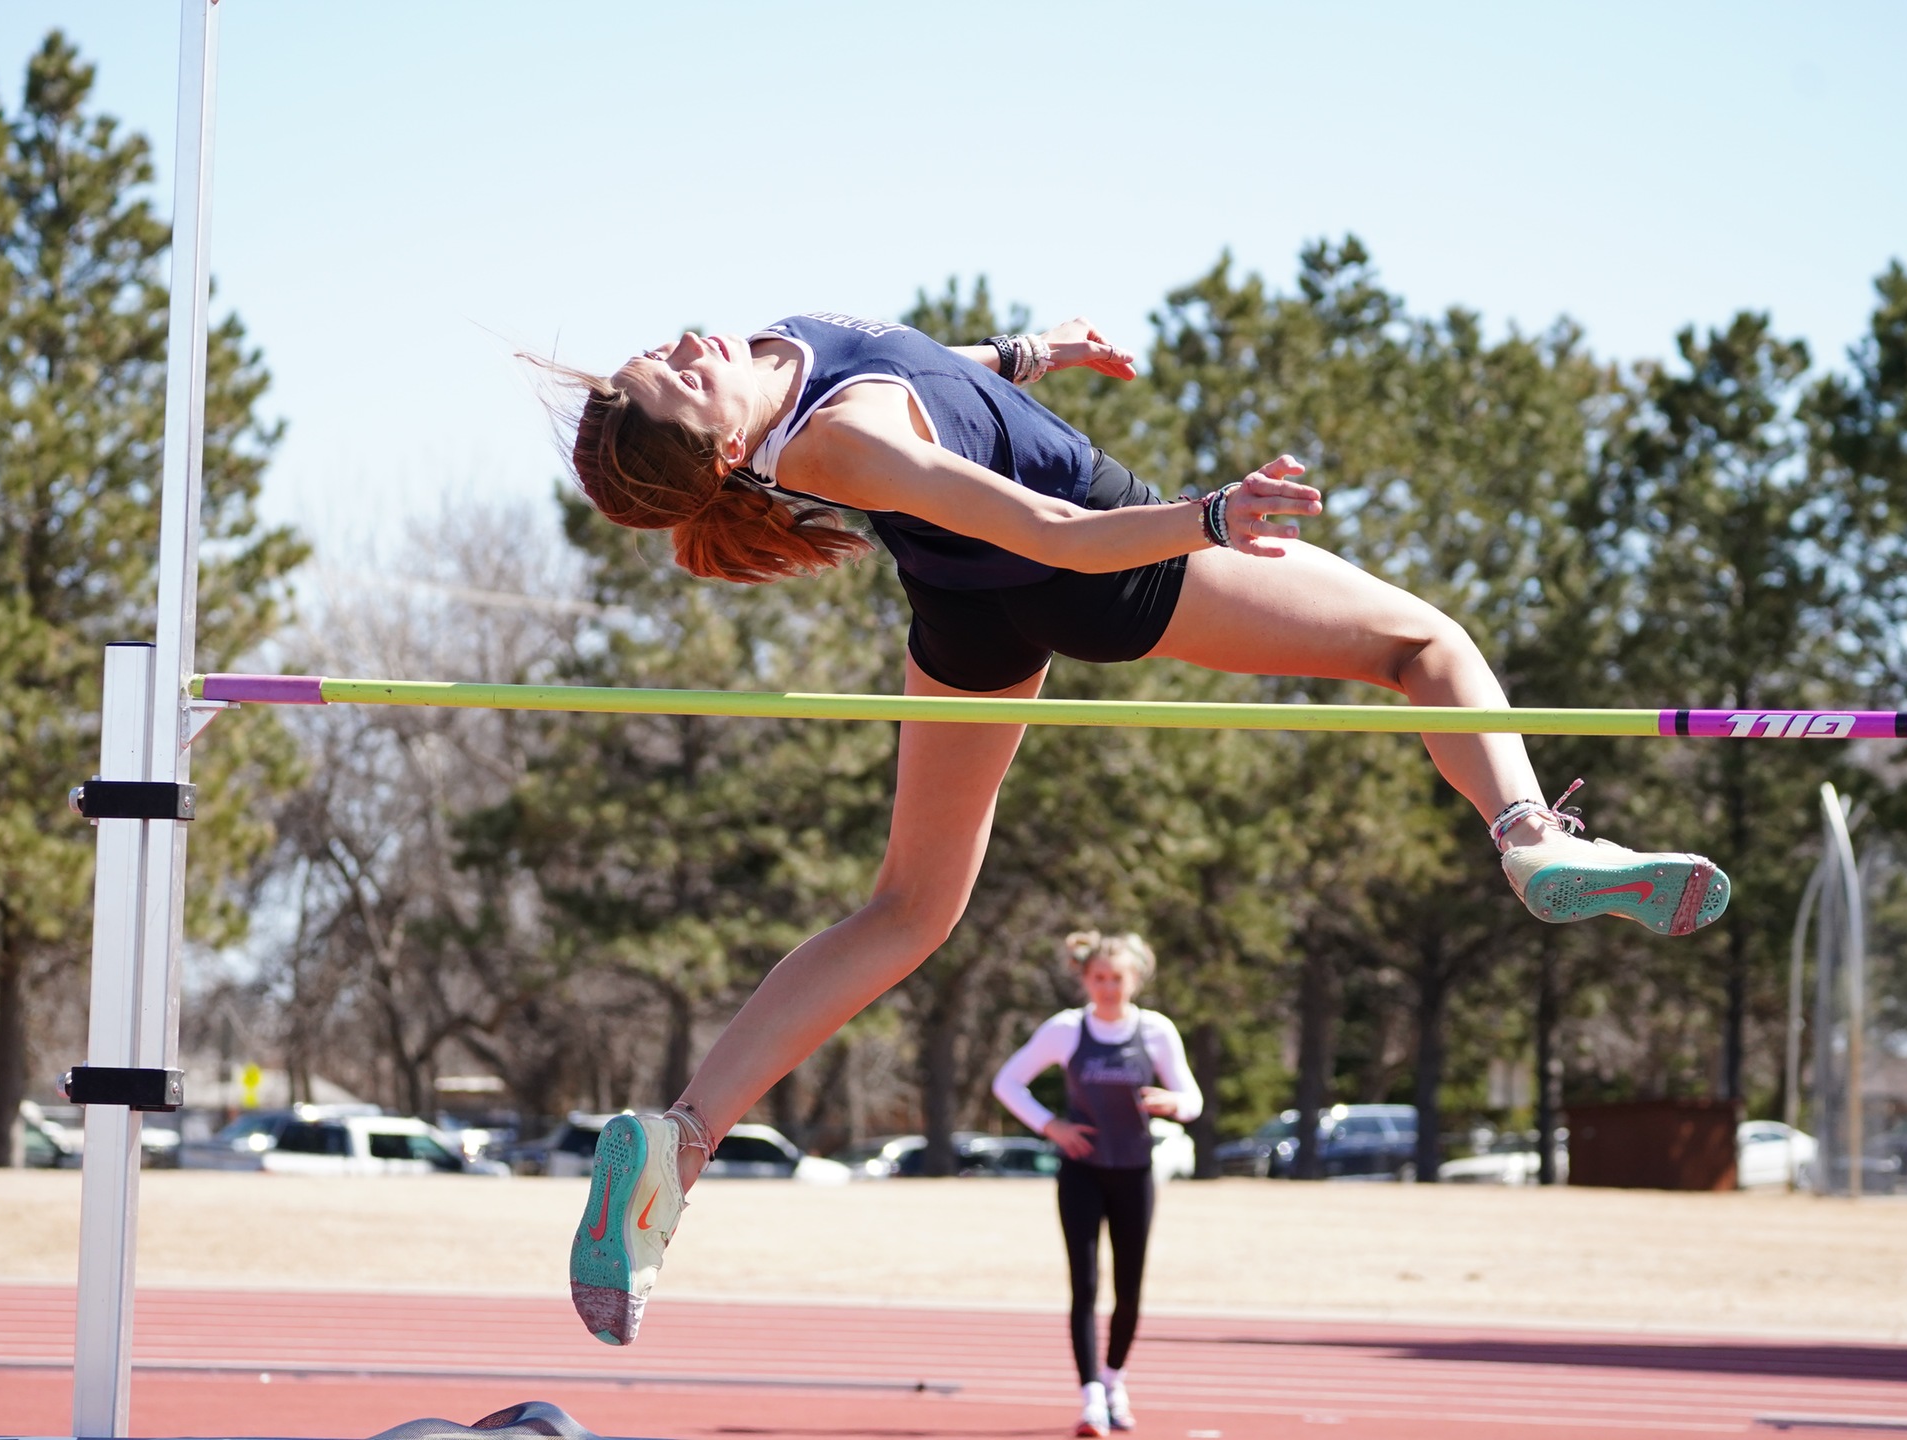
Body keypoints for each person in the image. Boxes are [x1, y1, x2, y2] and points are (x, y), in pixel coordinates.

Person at [554, 312, 1732, 1346]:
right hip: (1091, 562)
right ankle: (1534, 839)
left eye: (664, 354)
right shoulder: (841, 441)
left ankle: (679, 1148)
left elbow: (913, 368)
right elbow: (1057, 535)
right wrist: (1210, 516)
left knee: (909, 910)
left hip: (968, 612)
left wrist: (1026, 355)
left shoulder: (788, 374)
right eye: (680, 377)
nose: (688, 348)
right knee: (1424, 646)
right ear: (720, 447)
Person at [992, 932, 1200, 1436]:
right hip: (1081, 1171)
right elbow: (1007, 1082)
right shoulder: (1066, 1030)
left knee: (1128, 1290)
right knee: (1084, 1287)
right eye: (1099, 978)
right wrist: (1051, 1126)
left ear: (1135, 980)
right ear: (1085, 979)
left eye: (1118, 979)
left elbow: (1191, 1098)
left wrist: (1173, 1104)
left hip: (1133, 1172)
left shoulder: (1154, 1031)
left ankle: (1114, 1380)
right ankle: (1090, 1399)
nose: (1108, 988)